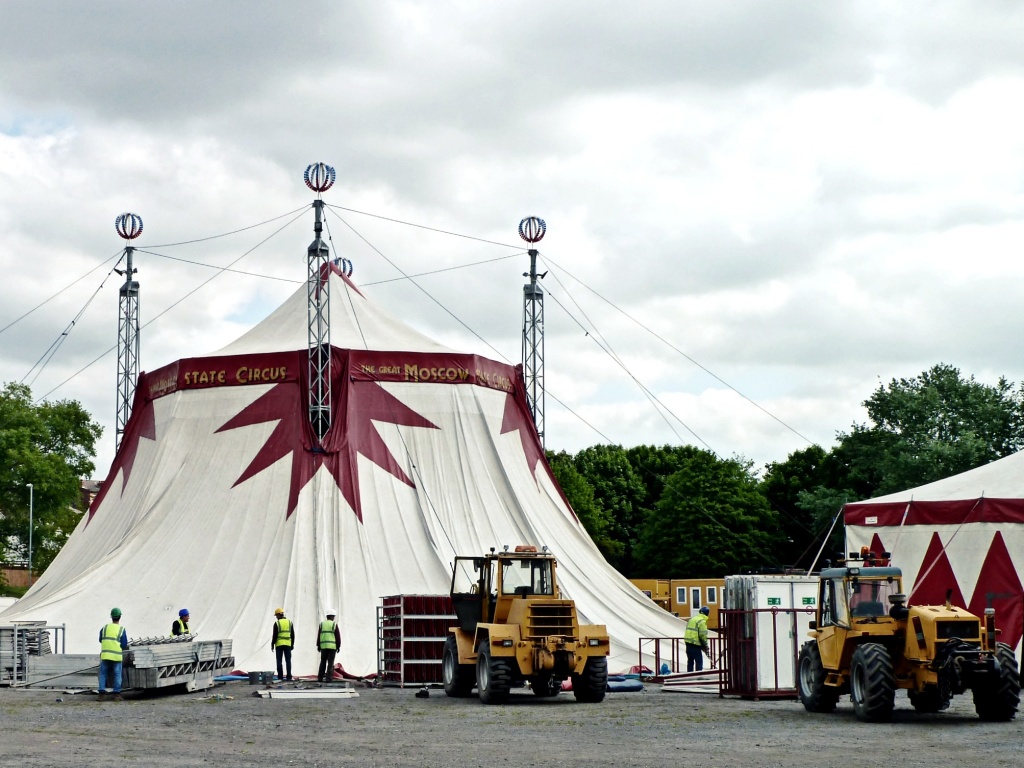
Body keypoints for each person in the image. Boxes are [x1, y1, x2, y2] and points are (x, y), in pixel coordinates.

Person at [98, 607, 129, 700]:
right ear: (120, 617)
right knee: (117, 674)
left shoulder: (104, 628)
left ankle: (101, 694)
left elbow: (100, 640)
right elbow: (124, 644)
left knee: (103, 674)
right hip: (116, 656)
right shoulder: (121, 629)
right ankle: (116, 694)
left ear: (111, 617)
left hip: (105, 655)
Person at [317, 608, 341, 684]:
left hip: (323, 647)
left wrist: (318, 645)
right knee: (330, 663)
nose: (334, 618)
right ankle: (328, 679)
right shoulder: (334, 624)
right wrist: (338, 646)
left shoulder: (322, 624)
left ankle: (320, 678)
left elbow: (319, 636)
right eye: (333, 616)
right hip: (332, 647)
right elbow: (337, 637)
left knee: (323, 662)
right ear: (332, 616)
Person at [684, 606, 710, 672]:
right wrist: (705, 646)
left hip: (688, 643)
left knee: (690, 661)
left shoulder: (692, 619)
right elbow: (702, 635)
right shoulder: (702, 621)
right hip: (695, 645)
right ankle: (698, 678)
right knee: (699, 662)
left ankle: (689, 677)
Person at [271, 607, 294, 681]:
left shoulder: (277, 623)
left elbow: (274, 635)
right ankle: (289, 676)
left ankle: (280, 677)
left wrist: (272, 644)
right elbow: (292, 635)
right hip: (288, 644)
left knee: (279, 661)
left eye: (276, 616)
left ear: (278, 615)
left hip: (279, 644)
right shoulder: (289, 622)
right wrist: (292, 644)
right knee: (288, 660)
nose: (276, 617)